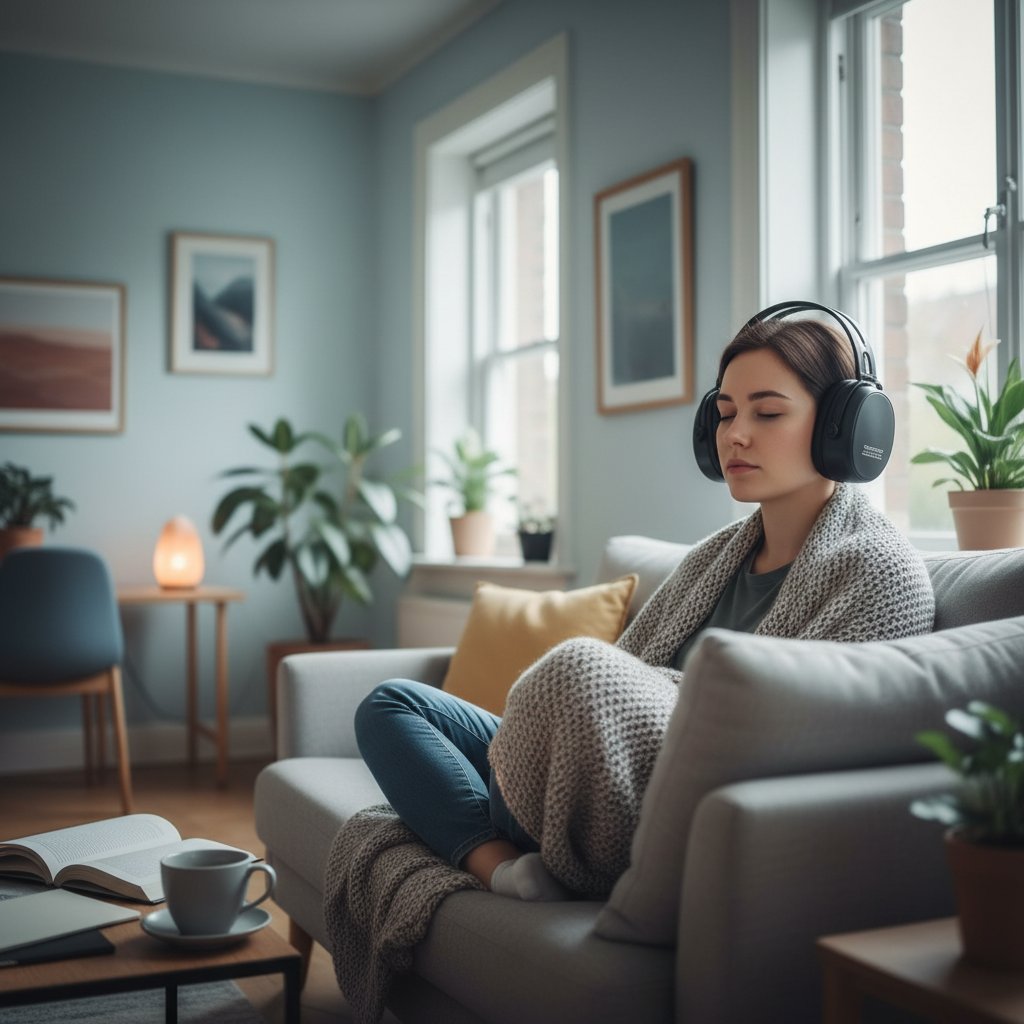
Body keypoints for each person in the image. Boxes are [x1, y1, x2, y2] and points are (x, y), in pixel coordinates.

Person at [354, 308, 935, 906]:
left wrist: (620, 702)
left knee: (578, 668)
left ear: (842, 427)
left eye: (767, 412)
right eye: (727, 413)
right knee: (389, 704)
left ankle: (468, 822)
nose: (735, 434)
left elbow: (798, 741)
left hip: (646, 796)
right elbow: (623, 674)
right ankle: (497, 866)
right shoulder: (713, 557)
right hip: (577, 756)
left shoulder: (876, 573)